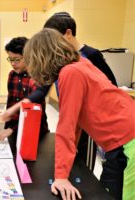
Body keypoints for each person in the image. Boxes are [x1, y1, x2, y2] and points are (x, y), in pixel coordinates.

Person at [24, 28, 134, 200]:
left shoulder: (70, 73)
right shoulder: (81, 63)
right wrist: (70, 152)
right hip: (120, 139)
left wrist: (61, 177)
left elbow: (66, 124)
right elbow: (76, 121)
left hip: (128, 140)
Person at [43, 11, 119, 173]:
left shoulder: (91, 55)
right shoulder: (62, 58)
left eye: (55, 40)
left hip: (91, 121)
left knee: (84, 161)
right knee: (71, 154)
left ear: (68, 33)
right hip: (72, 115)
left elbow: (112, 85)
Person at [0, 37, 49, 153]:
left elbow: (33, 114)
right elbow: (11, 103)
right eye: (10, 59)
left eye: (17, 60)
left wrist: (11, 129)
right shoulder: (12, 75)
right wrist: (7, 122)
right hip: (13, 130)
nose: (13, 64)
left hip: (34, 132)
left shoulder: (37, 76)